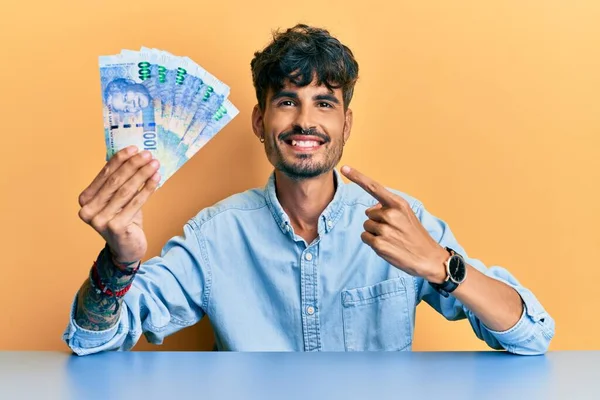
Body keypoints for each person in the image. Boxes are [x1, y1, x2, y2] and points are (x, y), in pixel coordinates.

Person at [64, 24, 554, 355]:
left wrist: (442, 266)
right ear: (260, 121)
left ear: (345, 124)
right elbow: (91, 342)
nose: (304, 121)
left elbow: (533, 335)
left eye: (324, 103)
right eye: (286, 101)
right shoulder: (214, 238)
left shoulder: (402, 224)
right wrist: (119, 260)